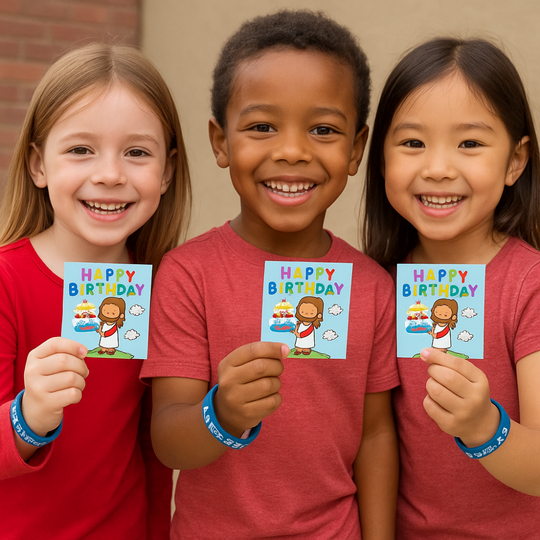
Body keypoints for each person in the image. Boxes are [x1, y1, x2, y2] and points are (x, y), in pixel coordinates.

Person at [142, 10, 399, 540]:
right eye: (262, 127)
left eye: (323, 130)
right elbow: (167, 437)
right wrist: (222, 413)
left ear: (355, 149)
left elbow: (375, 437)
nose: (291, 151)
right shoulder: (188, 274)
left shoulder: (374, 287)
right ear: (220, 142)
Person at [0, 43, 191, 539]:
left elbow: (153, 453)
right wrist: (29, 415)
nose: (109, 174)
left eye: (136, 152)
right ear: (38, 165)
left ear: (167, 172)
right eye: (81, 149)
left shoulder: (171, 291)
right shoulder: (6, 282)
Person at [363, 37, 540, 538]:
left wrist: (486, 427)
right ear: (380, 159)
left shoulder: (530, 285)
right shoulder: (374, 285)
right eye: (413, 143)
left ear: (515, 161)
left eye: (470, 143)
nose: (438, 168)